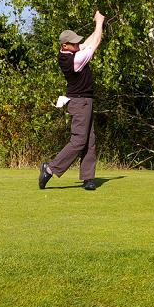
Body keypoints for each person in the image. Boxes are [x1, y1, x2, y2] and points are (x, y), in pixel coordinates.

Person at [39, 10, 105, 191]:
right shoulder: (73, 61)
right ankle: (50, 168)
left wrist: (98, 23)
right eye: (74, 42)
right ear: (66, 45)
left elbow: (88, 42)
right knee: (79, 141)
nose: (78, 44)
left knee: (90, 140)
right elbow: (95, 43)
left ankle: (88, 178)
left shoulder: (70, 51)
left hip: (85, 100)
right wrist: (99, 24)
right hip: (79, 102)